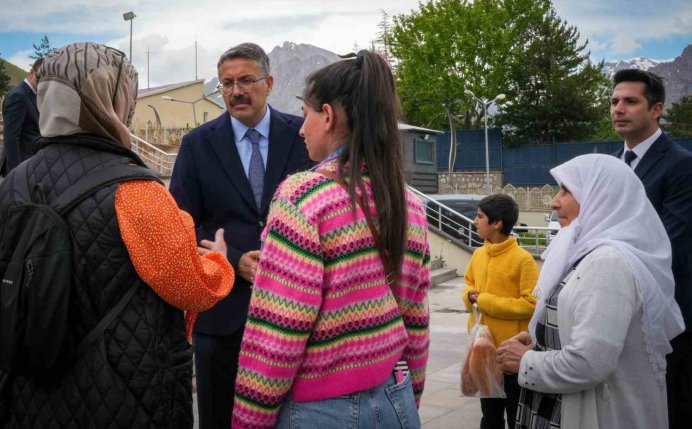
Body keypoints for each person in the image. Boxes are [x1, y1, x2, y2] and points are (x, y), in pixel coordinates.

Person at [0, 42, 234, 428]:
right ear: (110, 100)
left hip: (29, 393)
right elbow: (190, 287)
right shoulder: (136, 191)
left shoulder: (10, 188)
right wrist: (218, 260)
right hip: (124, 391)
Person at [231, 50, 431, 428]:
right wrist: (408, 397)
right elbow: (415, 320)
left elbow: (278, 332)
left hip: (321, 412)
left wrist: (247, 421)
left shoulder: (305, 199)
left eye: (306, 116)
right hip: (396, 398)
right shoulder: (408, 202)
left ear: (329, 115)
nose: (301, 129)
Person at [169, 43, 310, 429]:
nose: (236, 91)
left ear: (269, 83)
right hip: (222, 316)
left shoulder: (301, 136)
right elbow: (181, 222)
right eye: (227, 83)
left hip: (293, 312)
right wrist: (232, 260)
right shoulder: (198, 144)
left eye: (246, 80)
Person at [496, 154, 684, 429]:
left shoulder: (608, 264)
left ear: (600, 197)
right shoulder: (589, 255)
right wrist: (545, 338)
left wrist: (525, 361)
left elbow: (589, 362)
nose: (554, 201)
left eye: (567, 190)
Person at [610, 68, 692, 428]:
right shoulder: (611, 165)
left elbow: (667, 244)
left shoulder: (681, 166)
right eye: (614, 101)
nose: (618, 109)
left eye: (630, 101)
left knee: (670, 407)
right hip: (619, 310)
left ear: (656, 109)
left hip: (668, 318)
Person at [462, 194, 539, 429]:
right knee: (490, 417)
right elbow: (468, 286)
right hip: (483, 352)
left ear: (497, 223)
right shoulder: (478, 255)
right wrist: (469, 296)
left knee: (516, 417)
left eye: (480, 216)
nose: (475, 220)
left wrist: (484, 300)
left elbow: (531, 304)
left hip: (510, 355)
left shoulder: (523, 260)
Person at [0, 58, 43, 176]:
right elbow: (11, 138)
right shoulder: (18, 96)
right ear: (31, 72)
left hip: (31, 163)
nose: (43, 81)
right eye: (40, 77)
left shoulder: (33, 94)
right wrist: (16, 173)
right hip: (21, 166)